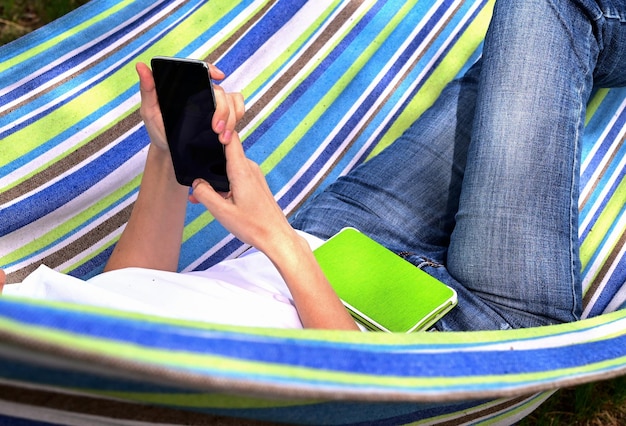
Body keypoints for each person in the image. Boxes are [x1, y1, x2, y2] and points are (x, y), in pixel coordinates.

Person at [2, 0, 625, 332]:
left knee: (520, 71)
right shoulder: (50, 382)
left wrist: (168, 156)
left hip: (339, 243)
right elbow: (344, 391)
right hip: (464, 329)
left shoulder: (25, 312)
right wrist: (268, 230)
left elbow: (124, 298)